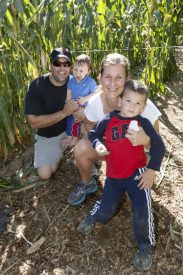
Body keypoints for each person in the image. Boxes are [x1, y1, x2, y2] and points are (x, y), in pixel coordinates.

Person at [78, 79, 165, 272]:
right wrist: (98, 144)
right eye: (128, 101)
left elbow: (159, 146)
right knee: (106, 209)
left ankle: (145, 245)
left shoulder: (143, 123)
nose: (132, 106)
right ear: (120, 101)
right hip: (114, 175)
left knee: (142, 210)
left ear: (143, 107)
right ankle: (93, 217)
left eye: (138, 103)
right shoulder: (109, 120)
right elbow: (93, 133)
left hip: (137, 174)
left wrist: (151, 170)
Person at [67, 53, 161, 205]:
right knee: (81, 148)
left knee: (137, 202)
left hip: (138, 156)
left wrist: (146, 142)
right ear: (100, 78)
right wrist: (99, 144)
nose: (112, 83)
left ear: (127, 79)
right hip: (112, 151)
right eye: (108, 76)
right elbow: (89, 131)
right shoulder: (94, 104)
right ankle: (87, 182)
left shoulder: (142, 105)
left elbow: (158, 142)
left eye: (119, 77)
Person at [25, 47, 78, 180]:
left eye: (66, 64)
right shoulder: (37, 85)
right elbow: (33, 122)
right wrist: (64, 112)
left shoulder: (76, 83)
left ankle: (85, 158)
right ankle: (60, 147)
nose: (62, 68)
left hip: (74, 130)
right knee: (45, 174)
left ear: (71, 67)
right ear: (50, 65)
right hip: (49, 135)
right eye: (57, 64)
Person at [61, 54, 97, 146]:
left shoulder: (90, 82)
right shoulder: (71, 80)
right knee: (69, 121)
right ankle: (70, 136)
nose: (77, 73)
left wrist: (85, 99)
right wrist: (70, 105)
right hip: (73, 106)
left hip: (84, 107)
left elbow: (96, 93)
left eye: (81, 71)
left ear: (88, 72)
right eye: (76, 69)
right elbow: (68, 93)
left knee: (75, 122)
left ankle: (75, 139)